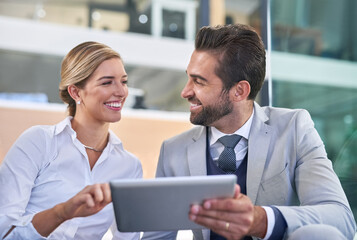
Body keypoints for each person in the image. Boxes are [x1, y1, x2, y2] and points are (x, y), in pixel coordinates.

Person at [142, 24, 356, 240]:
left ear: (239, 91)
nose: (185, 91)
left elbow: (341, 219)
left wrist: (261, 219)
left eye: (198, 81)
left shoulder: (294, 128)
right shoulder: (173, 151)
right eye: (189, 78)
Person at [0, 41, 142, 239]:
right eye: (107, 82)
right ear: (75, 92)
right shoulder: (38, 143)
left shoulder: (129, 166)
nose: (121, 92)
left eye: (123, 81)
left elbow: (129, 237)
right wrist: (62, 213)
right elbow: (4, 232)